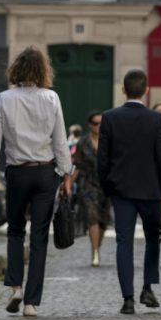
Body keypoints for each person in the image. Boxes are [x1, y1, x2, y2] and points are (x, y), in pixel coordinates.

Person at [0, 46, 73, 318]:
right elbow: (60, 141)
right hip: (45, 173)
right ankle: (32, 303)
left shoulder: (3, 99)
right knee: (39, 236)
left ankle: (15, 287)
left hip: (17, 172)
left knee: (15, 230)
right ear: (44, 71)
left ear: (16, 70)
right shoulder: (52, 98)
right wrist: (66, 173)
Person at [97, 70, 161, 315]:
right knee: (153, 239)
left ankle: (128, 298)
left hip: (121, 191)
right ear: (146, 90)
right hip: (151, 190)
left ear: (123, 89)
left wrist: (107, 187)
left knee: (124, 242)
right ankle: (147, 286)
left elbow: (103, 159)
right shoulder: (155, 119)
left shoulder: (110, 118)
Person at [72, 111, 112, 267]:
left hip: (106, 184)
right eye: (95, 123)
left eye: (101, 123)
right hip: (87, 184)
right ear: (90, 125)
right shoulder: (83, 142)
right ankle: (95, 252)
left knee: (103, 220)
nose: (99, 126)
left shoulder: (109, 141)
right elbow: (78, 165)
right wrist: (68, 184)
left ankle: (98, 247)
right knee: (92, 216)